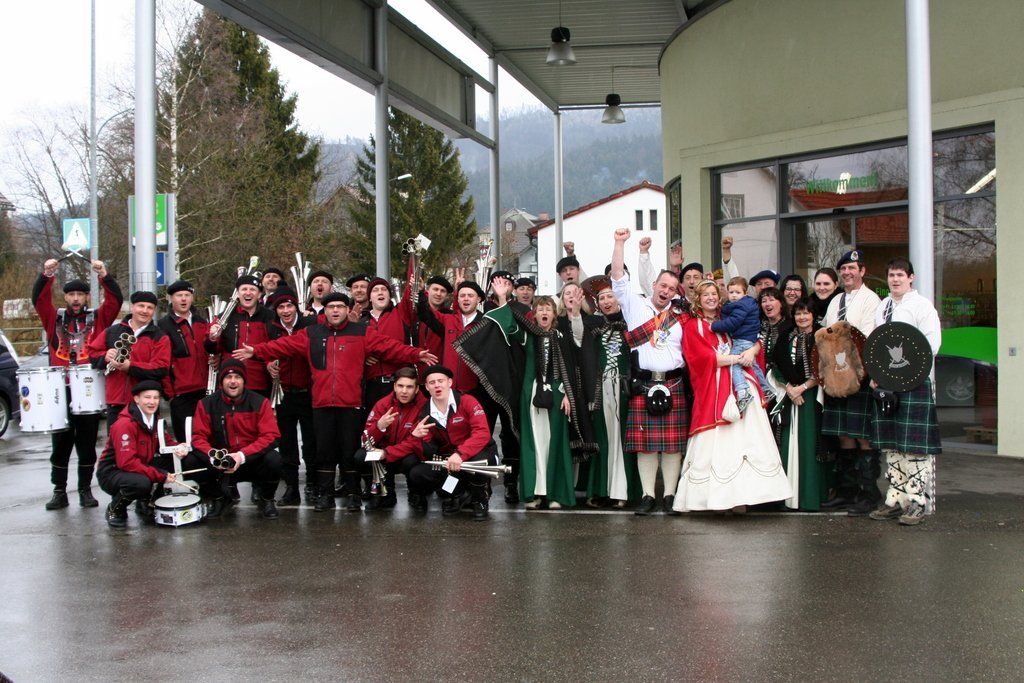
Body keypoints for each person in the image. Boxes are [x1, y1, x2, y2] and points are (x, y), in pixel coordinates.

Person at [234, 292, 434, 512]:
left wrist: (416, 355)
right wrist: (256, 351)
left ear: (348, 310)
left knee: (350, 450)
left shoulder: (362, 332)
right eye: (331, 307)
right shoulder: (311, 333)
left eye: (340, 306)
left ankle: (353, 494)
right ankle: (325, 495)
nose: (335, 310)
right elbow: (283, 345)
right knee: (324, 452)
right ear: (325, 311)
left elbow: (391, 347)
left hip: (351, 404)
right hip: (321, 404)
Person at [674, 281, 791, 512]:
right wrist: (738, 359)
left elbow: (754, 340)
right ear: (698, 299)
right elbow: (701, 359)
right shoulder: (693, 326)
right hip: (714, 390)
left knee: (745, 440)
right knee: (719, 442)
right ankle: (715, 499)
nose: (710, 298)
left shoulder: (728, 319)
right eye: (705, 295)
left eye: (714, 294)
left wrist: (752, 352)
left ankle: (742, 497)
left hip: (741, 386)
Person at [483, 281, 595, 510]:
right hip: (532, 394)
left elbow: (575, 352)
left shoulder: (563, 335)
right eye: (540, 309)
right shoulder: (528, 335)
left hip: (559, 394)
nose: (544, 312)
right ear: (534, 314)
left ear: (554, 314)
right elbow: (509, 325)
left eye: (548, 309)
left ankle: (555, 495)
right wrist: (503, 298)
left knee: (556, 443)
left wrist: (568, 395)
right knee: (533, 443)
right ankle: (534, 493)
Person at [33, 258, 123, 510]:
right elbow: (39, 300)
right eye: (71, 295)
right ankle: (59, 491)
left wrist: (104, 275)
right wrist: (46, 274)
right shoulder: (54, 318)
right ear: (65, 297)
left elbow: (115, 301)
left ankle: (85, 489)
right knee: (60, 444)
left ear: (86, 297)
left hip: (88, 389)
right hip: (60, 390)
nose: (75, 299)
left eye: (80, 295)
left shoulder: (98, 318)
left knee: (86, 443)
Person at [610, 229, 689, 516]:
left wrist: (678, 266)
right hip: (643, 383)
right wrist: (620, 243)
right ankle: (647, 495)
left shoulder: (681, 315)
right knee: (645, 446)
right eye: (662, 285)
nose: (665, 291)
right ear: (653, 284)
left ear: (675, 292)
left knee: (672, 446)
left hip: (674, 382)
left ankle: (669, 495)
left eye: (671, 288)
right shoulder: (634, 304)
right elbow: (618, 276)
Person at [428, 279, 522, 504]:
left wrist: (502, 297)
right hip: (464, 391)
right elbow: (424, 311)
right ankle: (469, 488)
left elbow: (509, 325)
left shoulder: (488, 320)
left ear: (479, 299)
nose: (466, 299)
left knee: (501, 438)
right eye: (462, 295)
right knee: (468, 440)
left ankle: (504, 485)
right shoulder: (449, 320)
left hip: (493, 387)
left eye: (470, 295)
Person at [868, 258, 942, 526]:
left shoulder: (922, 306)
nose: (895, 279)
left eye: (900, 275)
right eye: (891, 275)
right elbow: (877, 345)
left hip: (914, 383)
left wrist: (909, 374)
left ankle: (917, 502)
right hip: (886, 383)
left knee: (914, 447)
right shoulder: (883, 306)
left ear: (911, 277)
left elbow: (931, 345)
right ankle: (896, 499)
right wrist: (876, 375)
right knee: (891, 445)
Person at [96, 380, 213, 528]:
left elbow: (166, 442)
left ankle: (149, 502)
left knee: (184, 460)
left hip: (140, 465)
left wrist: (179, 447)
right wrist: (161, 475)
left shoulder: (154, 419)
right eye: (147, 397)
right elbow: (127, 463)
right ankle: (115, 510)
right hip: (112, 472)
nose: (152, 402)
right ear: (136, 399)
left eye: (156, 398)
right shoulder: (124, 425)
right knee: (141, 483)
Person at [820, 249, 882, 516]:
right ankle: (846, 493)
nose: (847, 272)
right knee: (844, 435)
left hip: (859, 375)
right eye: (843, 268)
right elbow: (826, 333)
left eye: (852, 268)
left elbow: (864, 337)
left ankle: (868, 494)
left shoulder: (871, 299)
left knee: (862, 437)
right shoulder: (836, 300)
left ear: (862, 271)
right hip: (836, 376)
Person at [191, 360, 283, 519]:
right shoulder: (206, 404)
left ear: (244, 381)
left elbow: (271, 435)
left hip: (250, 460)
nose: (233, 381)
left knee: (274, 459)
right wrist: (214, 456)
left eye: (237, 377)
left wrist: (242, 456)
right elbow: (198, 437)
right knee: (190, 461)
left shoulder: (260, 402)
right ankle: (219, 498)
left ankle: (266, 499)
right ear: (221, 381)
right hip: (221, 462)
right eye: (228, 377)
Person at [406, 365, 497, 521]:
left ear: (449, 382)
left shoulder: (467, 401)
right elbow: (429, 451)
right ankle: (460, 494)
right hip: (449, 460)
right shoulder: (424, 412)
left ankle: (480, 500)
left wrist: (460, 454)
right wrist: (418, 437)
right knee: (418, 473)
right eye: (432, 382)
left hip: (477, 453)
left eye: (441, 381)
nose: (437, 385)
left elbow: (482, 433)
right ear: (427, 387)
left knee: (478, 462)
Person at [581, 277, 641, 508]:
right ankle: (601, 489)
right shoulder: (593, 327)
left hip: (625, 390)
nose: (607, 301)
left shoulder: (631, 323)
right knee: (602, 438)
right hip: (601, 389)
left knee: (624, 438)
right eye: (602, 298)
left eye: (610, 296)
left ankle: (623, 491)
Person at [770, 299, 828, 511]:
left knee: (809, 445)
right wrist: (789, 389)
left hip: (812, 397)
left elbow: (825, 368)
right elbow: (775, 364)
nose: (802, 317)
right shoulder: (786, 336)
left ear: (813, 315)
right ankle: (788, 498)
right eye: (798, 313)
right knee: (788, 443)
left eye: (806, 313)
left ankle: (809, 498)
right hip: (789, 396)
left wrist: (801, 388)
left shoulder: (822, 337)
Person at [89, 290, 170, 427]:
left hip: (146, 403)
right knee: (115, 440)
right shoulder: (112, 331)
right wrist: (105, 356)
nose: (145, 311)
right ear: (132, 307)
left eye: (150, 307)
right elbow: (92, 354)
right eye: (141, 306)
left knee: (145, 440)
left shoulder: (160, 337)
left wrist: (130, 367)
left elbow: (161, 368)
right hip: (116, 401)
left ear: (154, 310)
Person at [265, 286, 316, 505]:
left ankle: (312, 485)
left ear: (296, 306)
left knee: (311, 442)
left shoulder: (309, 325)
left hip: (308, 392)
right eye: (281, 307)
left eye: (289, 306)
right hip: (283, 394)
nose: (286, 311)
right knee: (286, 442)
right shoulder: (271, 328)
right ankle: (292, 488)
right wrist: (268, 363)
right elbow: (264, 350)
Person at [357, 366, 429, 510]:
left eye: (409, 387)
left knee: (413, 460)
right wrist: (379, 427)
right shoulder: (383, 404)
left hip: (407, 454)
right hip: (385, 454)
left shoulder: (425, 406)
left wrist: (388, 452)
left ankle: (416, 493)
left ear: (417, 389)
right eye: (400, 386)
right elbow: (365, 440)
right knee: (361, 456)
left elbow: (417, 443)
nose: (404, 391)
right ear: (394, 386)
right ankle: (384, 493)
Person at [157, 280, 212, 442]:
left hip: (206, 390)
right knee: (185, 439)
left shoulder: (202, 322)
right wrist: (170, 394)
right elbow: (164, 362)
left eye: (187, 295)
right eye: (179, 295)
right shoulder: (163, 325)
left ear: (192, 298)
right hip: (181, 393)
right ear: (170, 298)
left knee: (207, 437)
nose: (183, 299)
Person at [206, 274, 274, 397]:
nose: (248, 293)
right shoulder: (225, 317)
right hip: (230, 382)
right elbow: (211, 349)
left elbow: (275, 346)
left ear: (259, 294)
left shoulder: (270, 317)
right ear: (237, 293)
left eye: (252, 289)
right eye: (244, 289)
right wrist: (212, 338)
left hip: (260, 383)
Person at [712, 276, 770, 412]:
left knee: (734, 365)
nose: (733, 295)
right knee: (754, 366)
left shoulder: (741, 306)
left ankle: (743, 392)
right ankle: (766, 389)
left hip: (741, 340)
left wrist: (714, 326)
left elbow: (733, 323)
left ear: (745, 293)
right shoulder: (747, 303)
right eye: (731, 292)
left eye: (737, 292)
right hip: (749, 339)